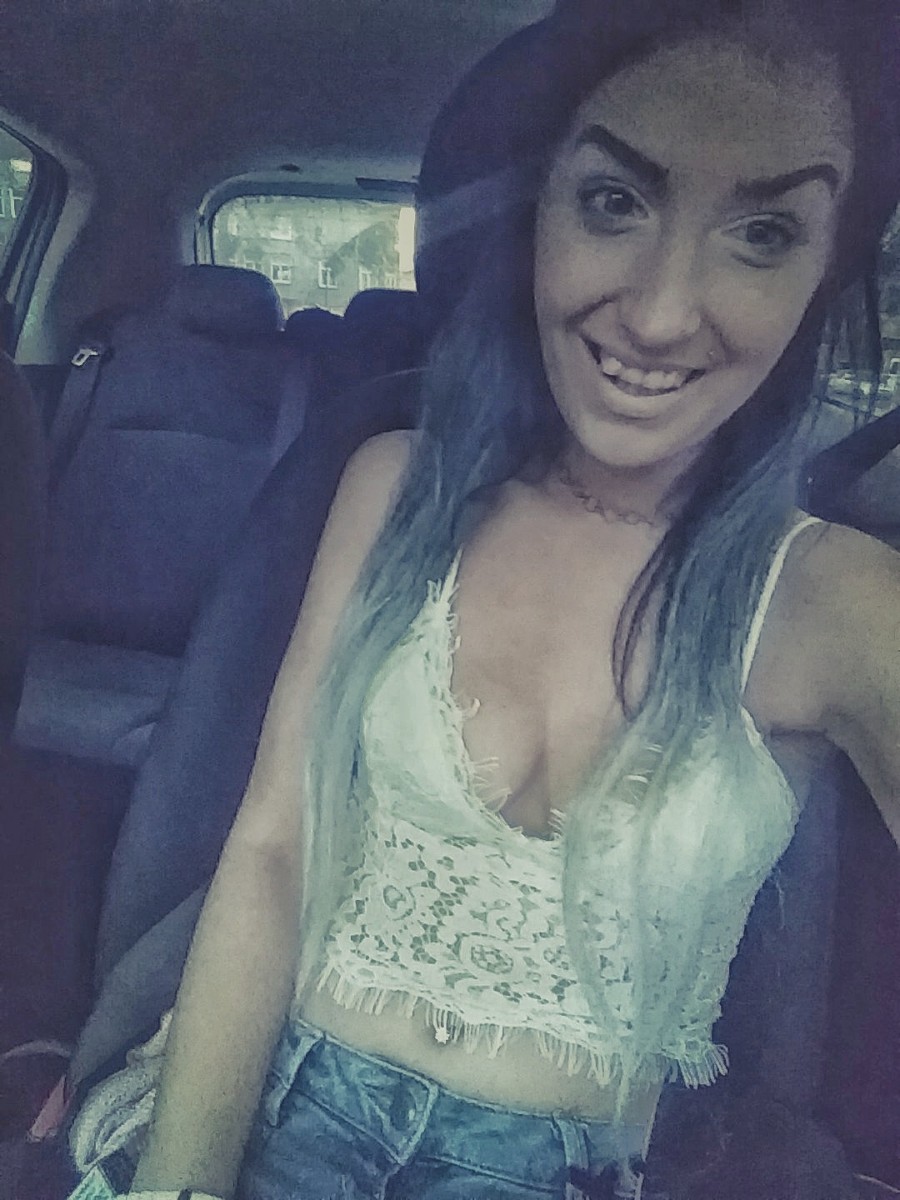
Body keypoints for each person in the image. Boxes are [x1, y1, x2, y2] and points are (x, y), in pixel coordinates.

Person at [68, 0, 900, 1196]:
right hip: (285, 1104)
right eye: (612, 201)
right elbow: (272, 849)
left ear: (825, 277)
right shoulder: (394, 487)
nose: (661, 312)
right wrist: (180, 1184)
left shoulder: (838, 599)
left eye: (764, 233)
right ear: (534, 212)